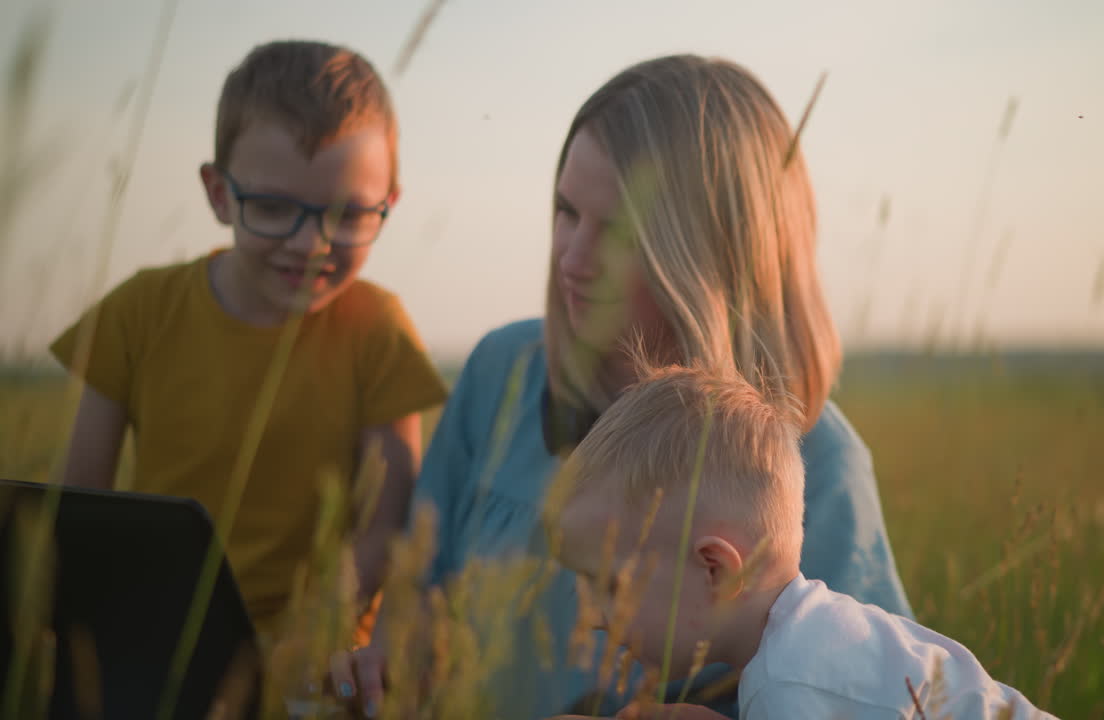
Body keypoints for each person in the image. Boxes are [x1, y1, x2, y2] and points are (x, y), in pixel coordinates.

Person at [333, 54, 910, 718]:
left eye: (616, 235)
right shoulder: (504, 372)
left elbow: (869, 699)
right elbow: (413, 598)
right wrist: (387, 665)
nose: (571, 259)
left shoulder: (818, 462)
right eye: (566, 212)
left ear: (708, 256)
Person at [49, 40, 446, 643]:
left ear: (388, 204)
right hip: (158, 636)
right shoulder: (139, 312)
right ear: (217, 194)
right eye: (271, 206)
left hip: (317, 656)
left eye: (347, 215)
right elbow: (82, 501)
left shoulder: (380, 330)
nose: (311, 244)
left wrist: (302, 643)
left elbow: (382, 528)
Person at [551, 362, 1057, 720]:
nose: (592, 616)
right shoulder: (816, 639)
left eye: (612, 587)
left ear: (717, 571)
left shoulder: (789, 684)